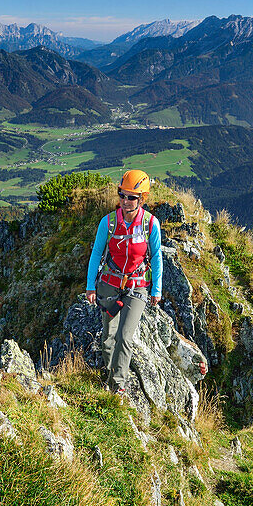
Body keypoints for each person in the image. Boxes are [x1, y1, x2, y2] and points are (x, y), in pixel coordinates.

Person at [85, 169, 162, 399]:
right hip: (110, 283)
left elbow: (156, 257)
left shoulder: (150, 224)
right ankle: (108, 373)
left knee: (125, 336)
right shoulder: (107, 223)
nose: (125, 202)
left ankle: (117, 384)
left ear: (142, 199)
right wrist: (90, 286)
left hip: (137, 286)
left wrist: (156, 289)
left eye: (132, 197)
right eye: (122, 195)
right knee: (108, 335)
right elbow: (96, 253)